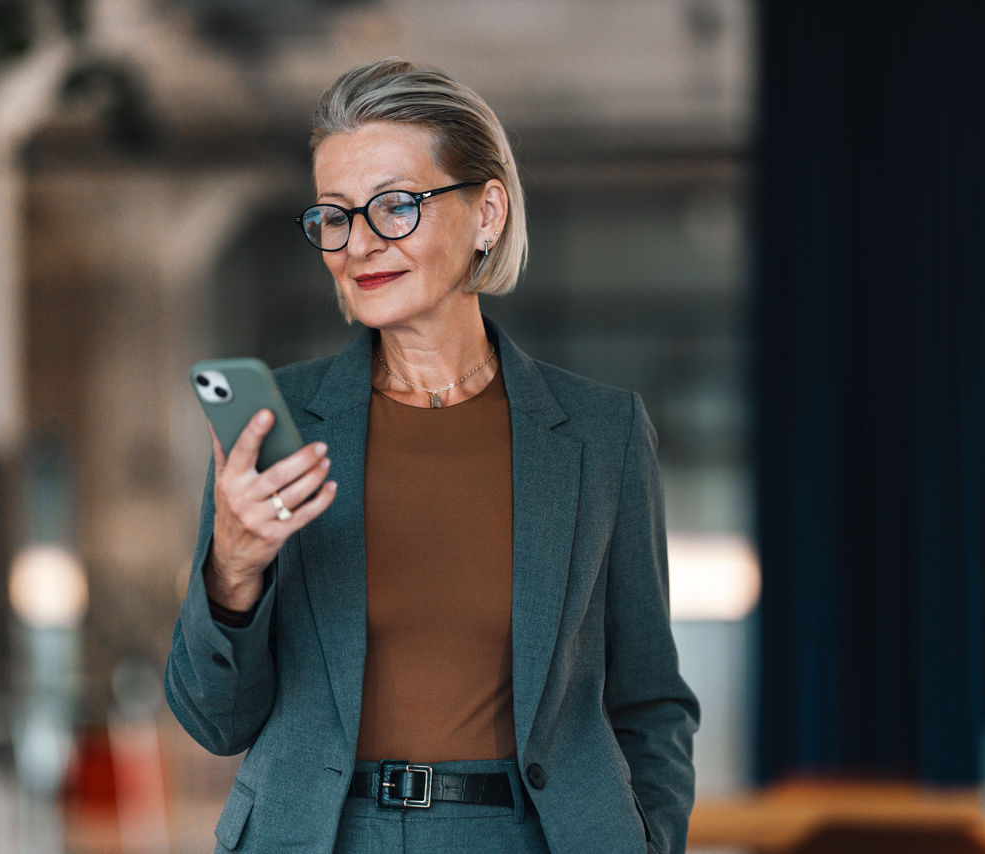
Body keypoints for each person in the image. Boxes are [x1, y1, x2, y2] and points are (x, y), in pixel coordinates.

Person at [165, 58, 699, 854]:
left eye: (395, 206)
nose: (360, 244)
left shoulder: (601, 433)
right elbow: (216, 721)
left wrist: (648, 839)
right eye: (335, 217)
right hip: (316, 837)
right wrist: (233, 570)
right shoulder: (277, 425)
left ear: (487, 211)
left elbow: (650, 700)